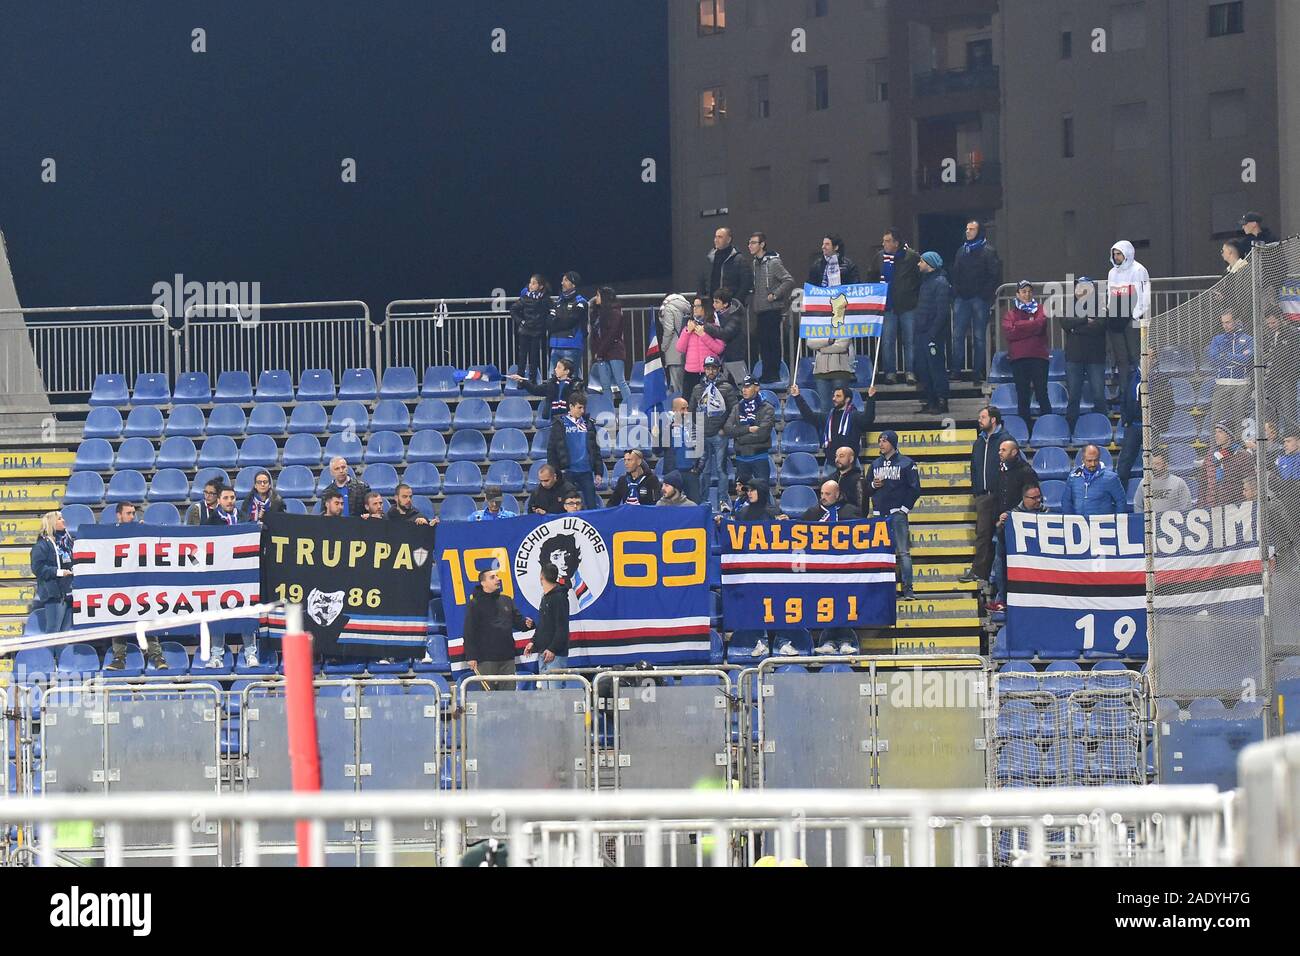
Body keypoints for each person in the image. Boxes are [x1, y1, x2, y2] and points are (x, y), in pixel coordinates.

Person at [106, 504, 166, 671]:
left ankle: (156, 655)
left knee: (147, 617)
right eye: (128, 513)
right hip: (120, 585)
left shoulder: (142, 530)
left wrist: (146, 533)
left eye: (133, 513)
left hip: (141, 584)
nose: (132, 516)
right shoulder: (109, 534)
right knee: (118, 619)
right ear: (119, 515)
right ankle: (119, 658)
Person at [863, 430, 921, 600]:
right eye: (880, 440)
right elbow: (866, 489)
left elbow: (915, 488)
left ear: (893, 443)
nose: (881, 444)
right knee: (881, 554)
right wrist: (873, 484)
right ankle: (885, 590)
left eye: (885, 441)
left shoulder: (907, 463)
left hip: (897, 514)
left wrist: (904, 508)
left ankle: (908, 589)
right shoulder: (874, 465)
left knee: (903, 553)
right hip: (879, 515)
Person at [961, 406, 1010, 587]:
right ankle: (980, 572)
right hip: (983, 496)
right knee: (983, 534)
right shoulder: (979, 442)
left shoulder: (1005, 440)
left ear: (993, 420)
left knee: (1001, 535)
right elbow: (973, 468)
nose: (979, 420)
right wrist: (977, 491)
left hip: (1000, 495)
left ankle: (1001, 574)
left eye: (983, 417)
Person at [949, 220, 1002, 386]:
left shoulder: (988, 251)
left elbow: (994, 275)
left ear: (979, 232)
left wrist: (984, 295)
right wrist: (956, 293)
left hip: (979, 299)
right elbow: (955, 272)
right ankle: (956, 370)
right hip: (962, 299)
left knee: (979, 337)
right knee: (957, 335)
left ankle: (977, 372)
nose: (968, 231)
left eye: (971, 229)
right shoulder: (962, 250)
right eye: (966, 229)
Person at [868, 229, 923, 386]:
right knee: (887, 341)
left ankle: (910, 372)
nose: (883, 244)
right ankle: (890, 373)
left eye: (887, 241)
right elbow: (871, 275)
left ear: (896, 243)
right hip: (888, 307)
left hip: (908, 306)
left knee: (910, 340)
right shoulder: (879, 257)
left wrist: (914, 296)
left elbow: (920, 277)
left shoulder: (911, 256)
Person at [462, 567, 534, 687]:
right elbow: (469, 631)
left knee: (509, 697)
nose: (498, 579)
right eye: (493, 577)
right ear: (483, 583)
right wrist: (471, 656)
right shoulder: (475, 604)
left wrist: (527, 624)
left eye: (497, 576)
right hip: (485, 659)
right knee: (488, 698)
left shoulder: (506, 600)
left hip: (508, 657)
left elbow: (518, 621)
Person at [989, 481, 1049, 612]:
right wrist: (1001, 523)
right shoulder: (1013, 514)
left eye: (1039, 497)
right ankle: (1003, 599)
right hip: (1020, 556)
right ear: (1024, 498)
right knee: (1000, 552)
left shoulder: (1046, 512)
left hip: (1040, 555)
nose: (1038, 500)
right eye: (1034, 498)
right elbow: (1001, 536)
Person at [1060, 276, 1109, 430]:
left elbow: (1100, 326)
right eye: (1078, 288)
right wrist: (1085, 320)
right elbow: (1065, 323)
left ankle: (1102, 426)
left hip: (1096, 358)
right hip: (1074, 358)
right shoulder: (1068, 305)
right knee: (1073, 396)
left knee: (1099, 395)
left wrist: (1076, 327)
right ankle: (1071, 429)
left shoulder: (1101, 305)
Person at [749, 231, 797, 385]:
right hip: (760, 309)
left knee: (772, 342)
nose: (750, 246)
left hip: (772, 308)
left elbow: (788, 280)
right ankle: (766, 372)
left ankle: (773, 373)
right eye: (749, 243)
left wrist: (775, 294)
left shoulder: (773, 262)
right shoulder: (755, 263)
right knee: (763, 343)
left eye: (753, 243)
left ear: (762, 244)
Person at [1001, 280, 1053, 421]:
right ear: (1017, 294)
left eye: (1029, 291)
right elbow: (1010, 333)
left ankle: (1048, 426)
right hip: (1019, 359)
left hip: (1039, 357)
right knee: (1023, 395)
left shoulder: (1041, 309)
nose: (1027, 294)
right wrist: (1031, 324)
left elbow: (1040, 325)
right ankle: (1025, 428)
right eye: (1024, 291)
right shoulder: (1010, 314)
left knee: (1042, 393)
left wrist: (1019, 326)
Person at [789, 380, 876, 460]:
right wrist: (797, 396)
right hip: (831, 462)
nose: (834, 399)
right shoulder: (828, 416)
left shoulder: (854, 415)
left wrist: (871, 398)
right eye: (834, 396)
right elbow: (809, 416)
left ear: (847, 399)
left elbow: (867, 420)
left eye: (838, 396)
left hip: (850, 464)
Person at [547, 393, 605, 510]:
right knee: (565, 506)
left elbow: (595, 449)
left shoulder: (588, 424)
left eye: (584, 408)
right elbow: (552, 450)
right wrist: (555, 472)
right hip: (567, 472)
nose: (582, 411)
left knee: (592, 506)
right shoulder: (560, 423)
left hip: (586, 471)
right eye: (579, 407)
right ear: (571, 406)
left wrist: (598, 472)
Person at [1106, 240, 1150, 390]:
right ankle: (1125, 396)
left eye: (1119, 254)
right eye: (1114, 254)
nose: (1116, 257)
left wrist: (1135, 315)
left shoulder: (1139, 270)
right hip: (1116, 318)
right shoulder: (1112, 272)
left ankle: (1141, 392)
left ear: (1127, 253)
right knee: (1121, 359)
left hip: (1132, 318)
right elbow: (1110, 295)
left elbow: (1145, 296)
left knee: (1135, 355)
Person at [914, 250, 953, 413]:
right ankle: (930, 401)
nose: (919, 264)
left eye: (921, 261)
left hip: (932, 334)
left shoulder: (940, 282)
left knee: (936, 368)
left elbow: (942, 311)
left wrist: (933, 332)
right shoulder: (926, 282)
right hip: (922, 332)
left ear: (929, 264)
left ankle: (942, 401)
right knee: (923, 368)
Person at [1206, 310, 1255, 431]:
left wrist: (1224, 355)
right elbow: (1213, 360)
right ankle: (1214, 448)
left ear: (1236, 321)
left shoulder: (1249, 339)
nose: (1225, 326)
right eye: (1223, 323)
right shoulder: (1217, 339)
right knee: (1216, 420)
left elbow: (1247, 360)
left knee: (1239, 420)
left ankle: (1240, 447)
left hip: (1242, 384)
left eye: (1228, 322)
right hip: (1221, 383)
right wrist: (1238, 357)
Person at [724, 375, 776, 485]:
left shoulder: (767, 408)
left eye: (748, 387)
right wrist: (748, 429)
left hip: (759, 457)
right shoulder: (737, 408)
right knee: (741, 493)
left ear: (757, 388)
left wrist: (739, 437)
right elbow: (728, 429)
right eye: (743, 387)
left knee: (762, 492)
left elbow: (762, 434)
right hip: (741, 458)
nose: (744, 390)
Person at [31, 511, 74, 634]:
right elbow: (38, 568)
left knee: (65, 634)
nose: (64, 520)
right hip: (54, 594)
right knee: (53, 631)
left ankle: (61, 654)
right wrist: (58, 572)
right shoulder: (41, 545)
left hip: (69, 592)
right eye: (60, 519)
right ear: (52, 523)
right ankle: (48, 654)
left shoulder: (67, 542)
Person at [677, 296, 727, 399]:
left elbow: (719, 349)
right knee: (689, 403)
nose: (695, 308)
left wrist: (703, 335)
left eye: (698, 306)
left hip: (709, 372)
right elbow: (680, 348)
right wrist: (687, 332)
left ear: (705, 308)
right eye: (694, 306)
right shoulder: (689, 326)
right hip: (691, 372)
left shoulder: (714, 327)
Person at [525, 562, 569, 676]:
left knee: (556, 692)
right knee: (545, 693)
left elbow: (562, 627)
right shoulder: (545, 597)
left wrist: (553, 649)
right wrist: (533, 642)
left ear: (541, 576)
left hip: (555, 655)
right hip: (543, 652)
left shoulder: (559, 597)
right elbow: (543, 624)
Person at [588, 287, 631, 404]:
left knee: (620, 380)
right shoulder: (597, 313)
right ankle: (608, 409)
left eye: (598, 296)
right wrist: (596, 352)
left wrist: (600, 351)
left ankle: (629, 408)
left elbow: (612, 334)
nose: (596, 298)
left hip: (615, 351)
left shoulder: (615, 312)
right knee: (605, 384)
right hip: (601, 353)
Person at [508, 356, 582, 421]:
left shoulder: (574, 385)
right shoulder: (551, 383)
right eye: (556, 367)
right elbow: (535, 389)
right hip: (553, 418)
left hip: (569, 418)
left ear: (566, 371)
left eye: (559, 367)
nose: (555, 369)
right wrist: (522, 380)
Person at [509, 273, 551, 384]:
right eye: (530, 283)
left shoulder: (545, 299)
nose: (531, 285)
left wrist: (544, 324)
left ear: (540, 286)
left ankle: (532, 381)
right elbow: (513, 309)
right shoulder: (525, 297)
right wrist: (521, 321)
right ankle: (520, 380)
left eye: (534, 283)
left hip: (537, 332)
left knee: (534, 356)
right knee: (522, 356)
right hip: (524, 331)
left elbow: (551, 313)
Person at [661, 396, 704, 504]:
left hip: (691, 473)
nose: (686, 412)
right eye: (682, 409)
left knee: (695, 505)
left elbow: (702, 450)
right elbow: (656, 450)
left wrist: (698, 469)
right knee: (670, 505)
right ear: (674, 410)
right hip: (673, 473)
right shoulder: (667, 428)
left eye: (687, 408)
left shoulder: (693, 427)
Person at [1064, 444, 1128, 516]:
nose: (1093, 464)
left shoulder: (1111, 478)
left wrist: (1118, 522)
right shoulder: (1073, 476)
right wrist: (1070, 521)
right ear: (1083, 460)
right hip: (1079, 524)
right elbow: (1066, 501)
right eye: (1089, 461)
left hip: (1104, 524)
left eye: (1096, 460)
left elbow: (1121, 502)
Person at [703, 288, 749, 387]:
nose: (713, 305)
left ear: (725, 304)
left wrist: (707, 326)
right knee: (721, 386)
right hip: (723, 358)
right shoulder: (718, 315)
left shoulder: (735, 317)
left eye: (717, 302)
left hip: (735, 357)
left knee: (743, 385)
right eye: (714, 301)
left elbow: (725, 333)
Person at [1204, 423, 1253, 507]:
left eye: (1220, 432)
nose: (1216, 435)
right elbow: (1203, 482)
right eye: (1215, 432)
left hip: (1235, 507)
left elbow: (1249, 484)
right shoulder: (1211, 456)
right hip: (1213, 505)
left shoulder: (1243, 456)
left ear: (1229, 435)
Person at [701, 226, 753, 305]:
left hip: (730, 308)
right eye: (715, 237)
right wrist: (703, 299)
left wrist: (734, 302)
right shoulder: (710, 259)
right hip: (711, 306)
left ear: (728, 240)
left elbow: (746, 284)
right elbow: (702, 281)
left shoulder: (739, 260)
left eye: (720, 237)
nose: (716, 240)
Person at [548, 271, 587, 373]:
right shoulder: (558, 302)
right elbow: (549, 322)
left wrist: (557, 322)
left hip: (571, 345)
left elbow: (570, 322)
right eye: (562, 280)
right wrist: (558, 322)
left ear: (573, 284)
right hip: (555, 346)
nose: (562, 283)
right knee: (553, 380)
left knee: (572, 380)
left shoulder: (580, 302)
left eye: (566, 280)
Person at [659, 293, 692, 397]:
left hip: (673, 348)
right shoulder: (686, 307)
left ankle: (678, 410)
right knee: (683, 383)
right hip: (686, 346)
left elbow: (669, 329)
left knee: (675, 384)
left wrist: (663, 346)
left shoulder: (668, 308)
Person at [1116, 366, 1142, 483]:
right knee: (1124, 465)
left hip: (1153, 427)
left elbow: (1168, 402)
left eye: (1152, 357)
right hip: (1133, 425)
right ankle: (1120, 498)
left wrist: (1160, 425)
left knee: (1156, 464)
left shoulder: (1160, 378)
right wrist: (1126, 420)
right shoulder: (1131, 376)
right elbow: (1124, 397)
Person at [830, 446, 867, 512]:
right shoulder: (831, 478)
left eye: (841, 456)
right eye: (836, 456)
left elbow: (862, 508)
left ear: (851, 459)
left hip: (851, 519)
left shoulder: (858, 479)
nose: (837, 459)